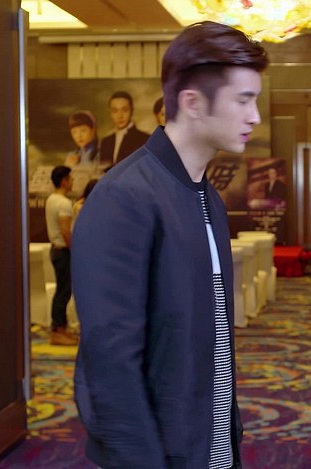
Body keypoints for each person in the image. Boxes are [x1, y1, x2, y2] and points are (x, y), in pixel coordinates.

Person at [71, 21, 268, 468]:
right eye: (243, 100)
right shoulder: (124, 197)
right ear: (193, 102)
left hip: (210, 444)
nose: (254, 116)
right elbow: (110, 362)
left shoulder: (207, 198)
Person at [45, 165, 78, 346]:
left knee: (62, 290)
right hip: (63, 251)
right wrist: (76, 251)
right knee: (63, 291)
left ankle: (61, 329)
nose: (72, 181)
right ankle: (57, 330)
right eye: (70, 178)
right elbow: (66, 232)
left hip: (56, 249)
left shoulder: (51, 199)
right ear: (64, 181)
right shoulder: (63, 203)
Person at [98, 90, 150, 168]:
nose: (120, 116)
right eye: (115, 111)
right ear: (110, 113)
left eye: (125, 110)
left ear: (132, 110)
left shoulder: (144, 139)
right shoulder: (106, 142)